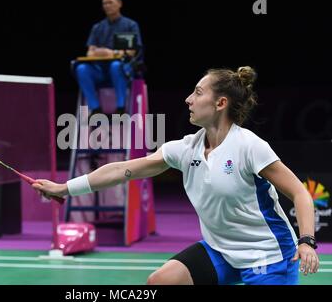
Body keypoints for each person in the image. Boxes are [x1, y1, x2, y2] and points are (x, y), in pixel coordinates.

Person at [33, 66, 319, 285]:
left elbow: (300, 194)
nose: (188, 99)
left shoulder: (249, 146)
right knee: (160, 281)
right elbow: (121, 170)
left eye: (197, 93)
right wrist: (64, 188)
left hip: (268, 257)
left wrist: (306, 241)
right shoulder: (185, 149)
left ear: (220, 103)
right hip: (220, 251)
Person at [75, 0, 143, 116]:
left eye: (110, 2)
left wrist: (108, 52)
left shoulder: (130, 25)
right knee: (81, 68)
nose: (107, 6)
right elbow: (90, 52)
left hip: (123, 70)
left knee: (115, 66)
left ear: (119, 3)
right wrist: (98, 53)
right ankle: (95, 109)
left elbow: (132, 52)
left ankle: (121, 108)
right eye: (104, 3)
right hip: (100, 71)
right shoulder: (97, 27)